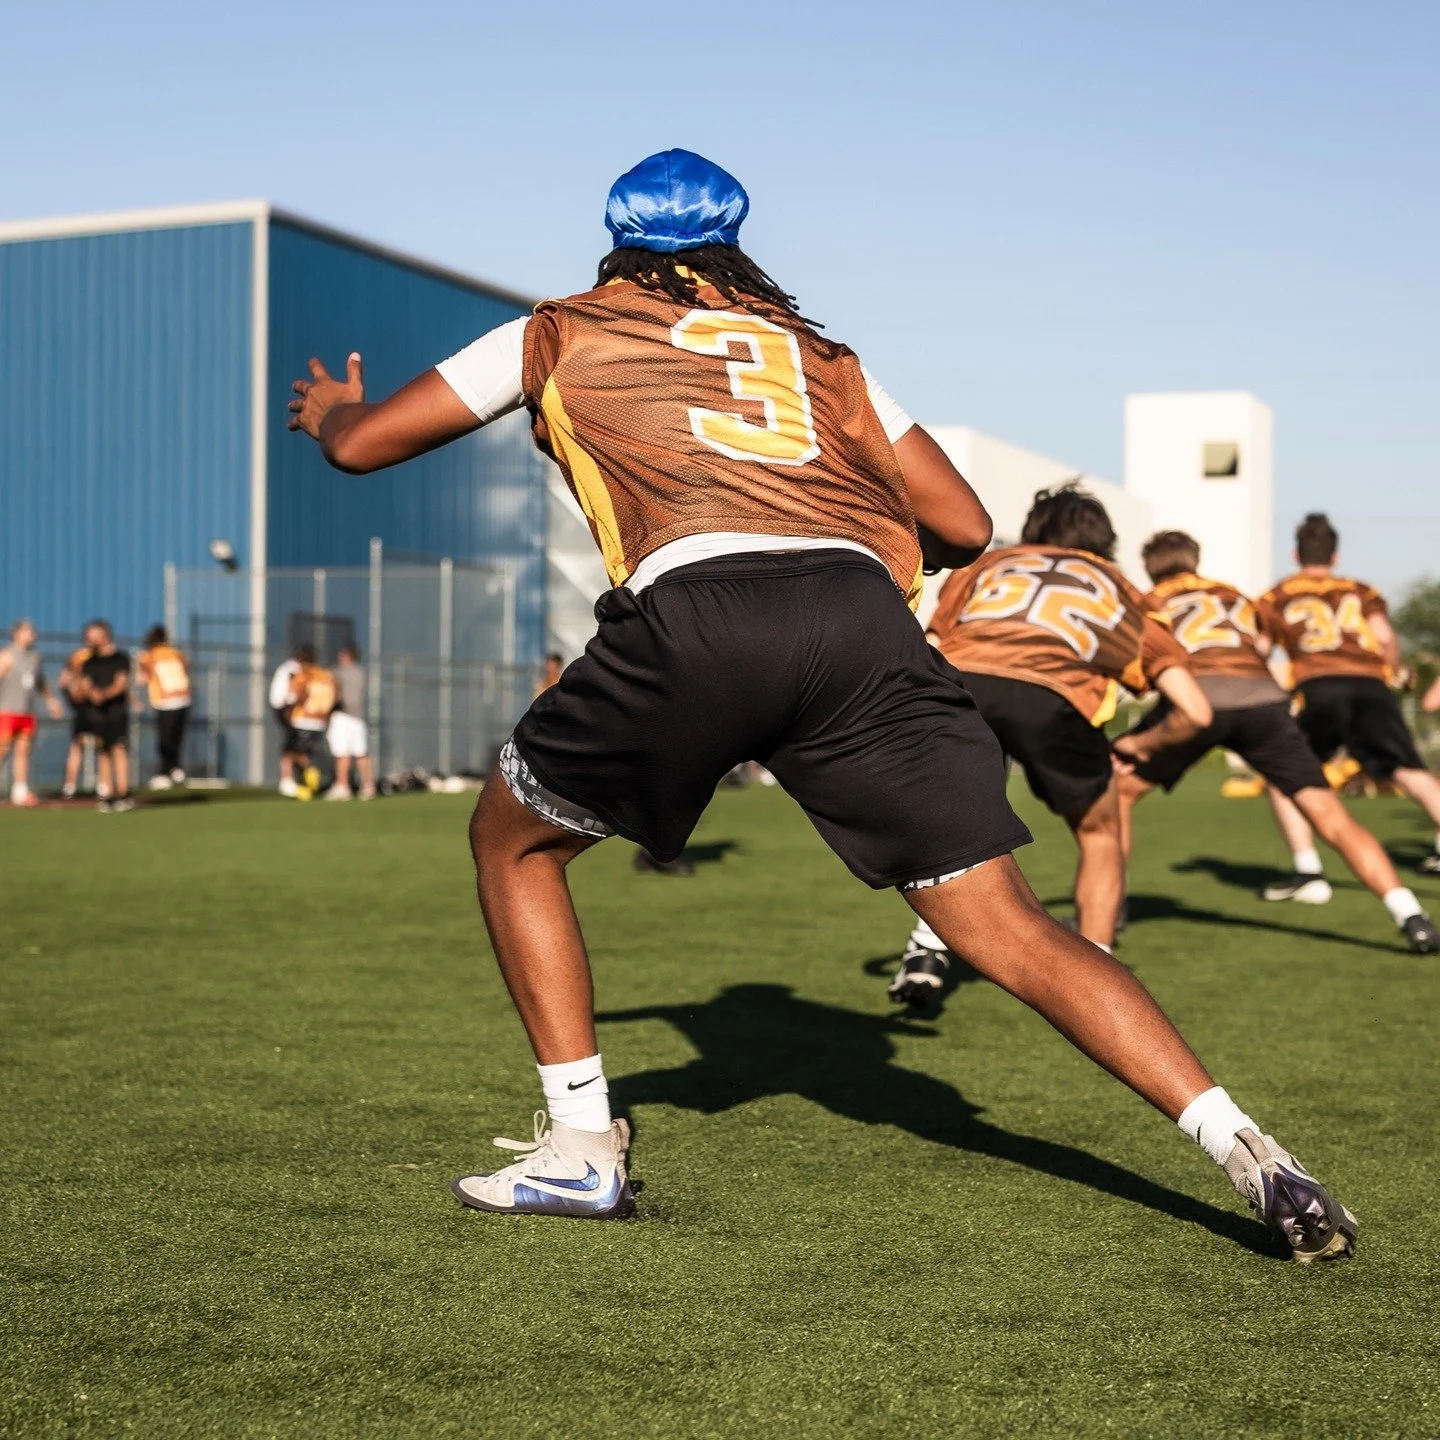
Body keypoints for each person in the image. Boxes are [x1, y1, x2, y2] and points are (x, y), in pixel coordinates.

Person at [287, 148, 1356, 1260]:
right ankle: (1252, 1151)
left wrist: (332, 412)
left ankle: (582, 1149)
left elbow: (366, 448)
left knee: (512, 843)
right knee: (1008, 926)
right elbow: (964, 524)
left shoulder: (557, 327)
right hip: (861, 625)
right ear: (736, 241)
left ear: (616, 241)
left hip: (701, 612)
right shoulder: (824, 355)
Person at [890, 483, 1213, 1006]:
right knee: (1101, 832)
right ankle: (1098, 974)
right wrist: (1145, 745)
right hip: (1050, 693)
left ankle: (927, 949)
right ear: (1104, 540)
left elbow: (932, 643)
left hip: (959, 683)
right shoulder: (1116, 583)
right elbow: (1196, 710)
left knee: (962, 833)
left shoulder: (987, 565)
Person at [1115, 531, 1437, 954]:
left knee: (1115, 793)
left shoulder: (1147, 598)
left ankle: (1106, 913)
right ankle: (1411, 915)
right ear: (1195, 560)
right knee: (1332, 814)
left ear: (1149, 567)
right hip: (1264, 699)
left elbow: (1139, 655)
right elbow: (1260, 647)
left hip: (1200, 695)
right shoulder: (1234, 595)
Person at [1258, 513, 1440, 882]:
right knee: (1410, 771)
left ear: (1295, 555)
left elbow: (1260, 651)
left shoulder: (1274, 596)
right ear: (1336, 557)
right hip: (1370, 685)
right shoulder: (1360, 590)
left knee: (1282, 777)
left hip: (1319, 684)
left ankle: (1308, 873)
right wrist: (1392, 673)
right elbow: (1385, 637)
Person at [0, 619, 64, 806]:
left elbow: (40, 682)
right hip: (6, 712)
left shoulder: (35, 657)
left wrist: (51, 700)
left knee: (23, 751)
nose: (31, 635)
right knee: (2, 750)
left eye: (32, 631)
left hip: (26, 712)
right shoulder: (7, 656)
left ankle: (20, 791)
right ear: (16, 633)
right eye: (27, 631)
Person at [79, 620, 133, 811]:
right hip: (96, 715)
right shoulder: (88, 663)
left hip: (116, 712)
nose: (89, 638)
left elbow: (121, 683)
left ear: (104, 634)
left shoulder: (120, 658)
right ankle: (107, 795)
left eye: (93, 633)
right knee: (103, 752)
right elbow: (84, 685)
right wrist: (92, 694)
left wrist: (104, 694)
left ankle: (123, 794)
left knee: (119, 748)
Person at [135, 625, 193, 789]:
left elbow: (142, 679)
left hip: (164, 700)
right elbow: (186, 668)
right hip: (183, 696)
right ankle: (175, 769)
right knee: (177, 736)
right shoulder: (176, 652)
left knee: (164, 739)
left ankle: (164, 772)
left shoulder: (148, 656)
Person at [59, 636, 110, 800]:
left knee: (102, 745)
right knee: (78, 744)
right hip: (84, 707)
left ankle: (104, 785)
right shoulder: (79, 656)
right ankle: (70, 785)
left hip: (99, 707)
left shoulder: (102, 658)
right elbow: (65, 681)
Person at [280, 646, 336, 795]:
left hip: (302, 720)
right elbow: (335, 697)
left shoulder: (302, 675)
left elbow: (296, 695)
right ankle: (308, 781)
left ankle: (292, 781)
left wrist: (287, 707)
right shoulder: (326, 675)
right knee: (305, 752)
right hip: (320, 722)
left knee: (288, 753)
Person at [324, 644, 375, 800]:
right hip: (358, 718)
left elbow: (324, 678)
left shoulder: (339, 672)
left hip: (343, 715)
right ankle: (368, 786)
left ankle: (342, 786)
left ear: (346, 656)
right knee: (361, 752)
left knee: (342, 753)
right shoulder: (361, 672)